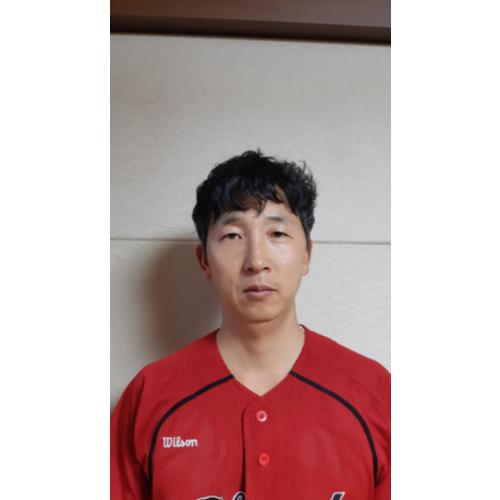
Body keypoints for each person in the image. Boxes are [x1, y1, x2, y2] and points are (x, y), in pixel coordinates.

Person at [111, 150, 390, 500]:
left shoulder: (375, 394)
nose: (256, 261)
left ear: (307, 254)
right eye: (233, 236)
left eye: (277, 233)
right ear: (204, 260)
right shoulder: (150, 396)